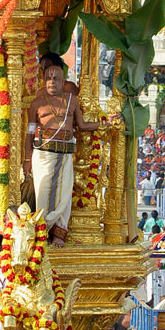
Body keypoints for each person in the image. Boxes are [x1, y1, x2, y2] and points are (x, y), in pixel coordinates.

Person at [25, 53, 105, 247]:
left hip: (66, 154)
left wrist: (105, 123)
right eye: (48, 78)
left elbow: (82, 125)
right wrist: (27, 159)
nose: (52, 81)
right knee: (43, 193)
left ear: (63, 82)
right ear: (44, 81)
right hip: (43, 155)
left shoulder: (71, 100)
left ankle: (59, 234)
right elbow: (29, 133)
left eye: (56, 79)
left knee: (64, 195)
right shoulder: (37, 103)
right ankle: (42, 233)